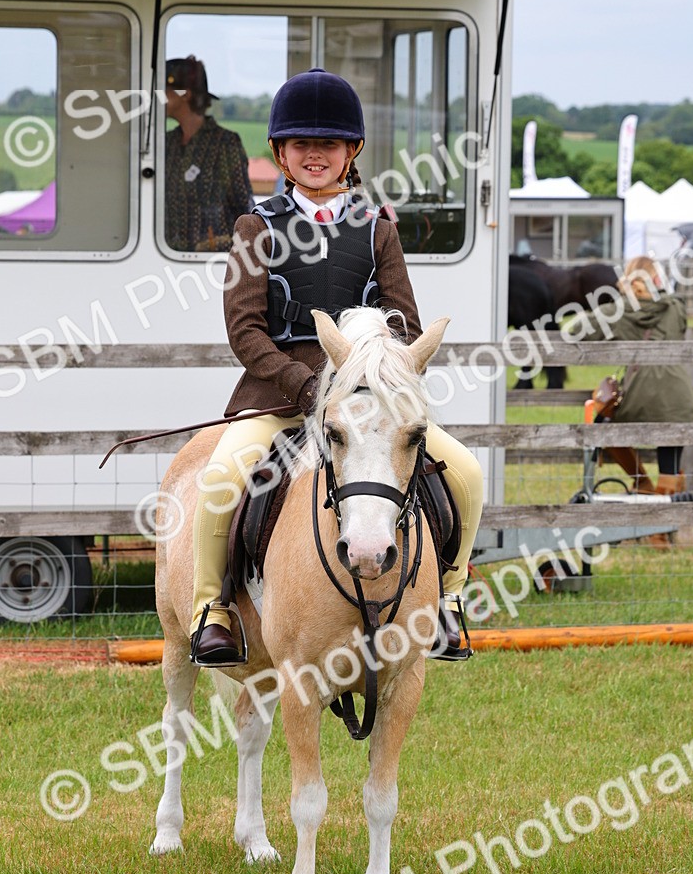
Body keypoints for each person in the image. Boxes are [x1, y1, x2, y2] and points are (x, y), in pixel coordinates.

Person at [189, 66, 484, 666]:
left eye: (328, 145)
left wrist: (374, 380)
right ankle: (212, 611)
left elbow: (403, 321)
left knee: (468, 474)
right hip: (279, 398)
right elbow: (244, 329)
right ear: (280, 152)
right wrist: (303, 386)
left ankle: (449, 601)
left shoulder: (377, 229)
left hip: (367, 408)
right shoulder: (257, 228)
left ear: (352, 153)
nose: (315, 156)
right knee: (222, 477)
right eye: (302, 145)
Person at [572, 255, 693, 496]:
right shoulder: (675, 307)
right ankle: (660, 526)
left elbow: (575, 331)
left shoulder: (617, 312)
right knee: (670, 449)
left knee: (604, 427)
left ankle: (642, 482)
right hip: (678, 400)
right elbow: (680, 327)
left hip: (637, 398)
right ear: (655, 279)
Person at [164, 55, 254, 252]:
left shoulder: (225, 143)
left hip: (213, 262)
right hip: (166, 257)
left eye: (164, 91)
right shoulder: (165, 143)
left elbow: (244, 205)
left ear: (185, 94)